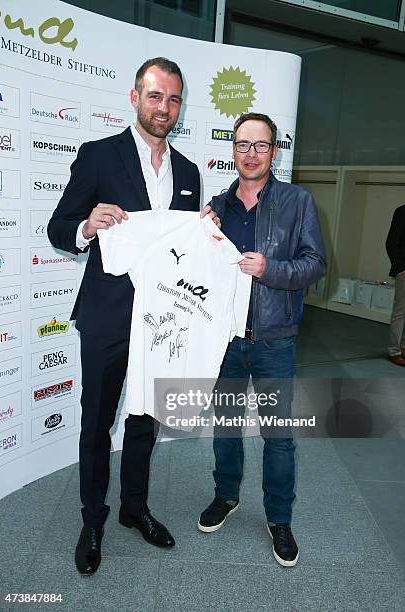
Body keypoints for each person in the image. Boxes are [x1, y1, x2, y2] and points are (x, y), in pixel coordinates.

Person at [48, 57, 217, 575]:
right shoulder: (98, 156)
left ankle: (134, 508)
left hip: (164, 321)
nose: (163, 107)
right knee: (97, 420)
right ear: (134, 97)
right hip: (107, 314)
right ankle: (92, 518)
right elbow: (58, 229)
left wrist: (207, 232)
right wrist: (86, 225)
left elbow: (190, 251)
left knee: (146, 419)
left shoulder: (189, 172)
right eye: (154, 96)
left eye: (172, 99)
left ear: (180, 106)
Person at [197, 112, 326, 567]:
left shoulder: (297, 202)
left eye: (261, 145)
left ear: (274, 151)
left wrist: (269, 269)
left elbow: (315, 264)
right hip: (226, 341)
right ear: (232, 150)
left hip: (275, 341)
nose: (251, 154)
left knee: (278, 438)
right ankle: (226, 496)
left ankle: (279, 519)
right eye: (243, 144)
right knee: (226, 428)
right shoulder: (217, 208)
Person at [386, 204, 405, 366]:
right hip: (404, 271)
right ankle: (394, 351)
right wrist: (401, 268)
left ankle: (404, 347)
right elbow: (391, 243)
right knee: (401, 312)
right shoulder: (402, 211)